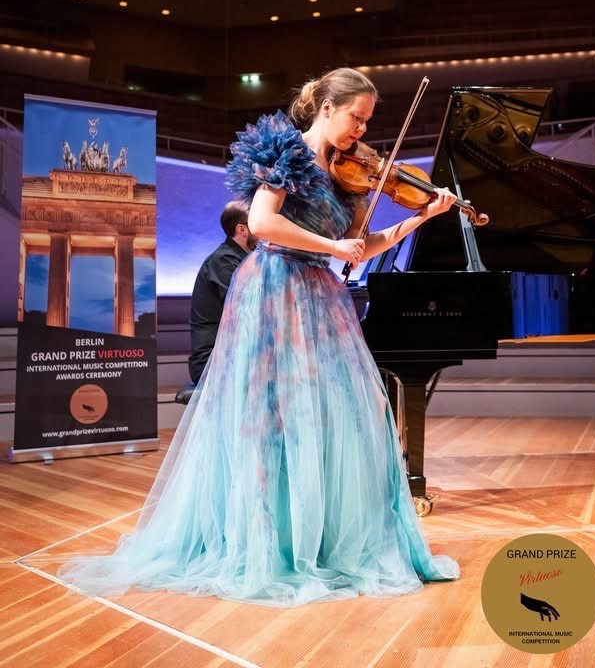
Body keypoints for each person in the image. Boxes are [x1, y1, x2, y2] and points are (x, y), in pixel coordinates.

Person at [59, 67, 460, 606]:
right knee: (271, 417)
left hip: (319, 296)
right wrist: (330, 248)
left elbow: (361, 247)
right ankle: (269, 543)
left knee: (328, 414)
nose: (362, 132)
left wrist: (422, 218)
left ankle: (317, 540)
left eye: (367, 122)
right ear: (326, 108)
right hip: (274, 287)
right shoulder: (284, 151)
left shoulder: (352, 178)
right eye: (356, 118)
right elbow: (264, 223)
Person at [189, 200, 256, 384]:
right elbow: (244, 312)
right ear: (242, 229)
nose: (263, 229)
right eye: (257, 222)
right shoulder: (223, 261)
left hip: (234, 352)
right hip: (212, 361)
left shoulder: (243, 259)